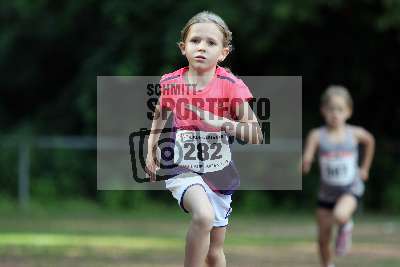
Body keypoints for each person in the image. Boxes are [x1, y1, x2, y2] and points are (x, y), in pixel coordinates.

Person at [145, 11, 263, 267]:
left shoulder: (231, 85)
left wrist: (223, 122)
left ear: (223, 52)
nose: (202, 47)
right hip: (182, 167)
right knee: (203, 216)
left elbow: (256, 134)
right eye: (195, 40)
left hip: (218, 172)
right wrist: (150, 146)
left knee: (214, 252)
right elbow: (159, 112)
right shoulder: (171, 83)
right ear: (183, 47)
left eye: (211, 43)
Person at [302, 85, 375, 267]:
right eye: (331, 109)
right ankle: (328, 265)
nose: (335, 114)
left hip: (350, 189)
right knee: (322, 239)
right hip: (326, 194)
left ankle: (346, 226)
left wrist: (365, 168)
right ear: (323, 111)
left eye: (340, 109)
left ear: (348, 112)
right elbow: (308, 155)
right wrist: (306, 162)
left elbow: (370, 141)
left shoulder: (354, 134)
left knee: (341, 214)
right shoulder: (317, 135)